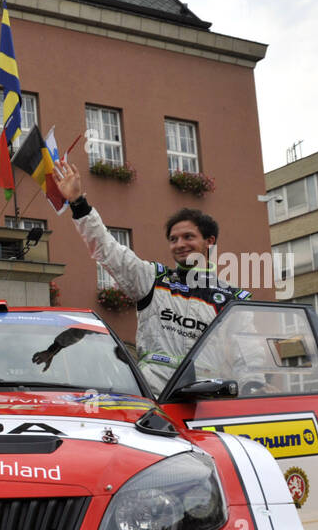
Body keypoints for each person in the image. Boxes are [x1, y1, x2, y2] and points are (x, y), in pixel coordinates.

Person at [55, 157, 253, 391]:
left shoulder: (231, 298)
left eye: (188, 237)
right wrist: (78, 202)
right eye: (173, 239)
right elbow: (108, 248)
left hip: (205, 397)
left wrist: (255, 385)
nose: (180, 244)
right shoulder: (153, 280)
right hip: (153, 395)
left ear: (209, 242)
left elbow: (249, 349)